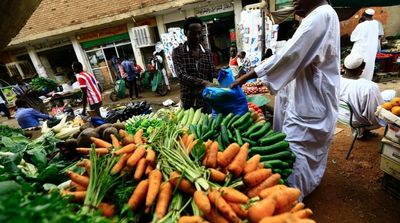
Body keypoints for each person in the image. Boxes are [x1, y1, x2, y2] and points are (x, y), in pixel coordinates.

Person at [231, 0, 340, 200]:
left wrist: (249, 75)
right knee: (304, 152)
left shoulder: (320, 16)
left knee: (297, 153)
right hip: (310, 99)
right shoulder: (323, 15)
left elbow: (290, 55)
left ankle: (291, 200)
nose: (294, 1)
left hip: (310, 102)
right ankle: (300, 189)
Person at [172, 16, 215, 112]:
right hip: (188, 100)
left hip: (205, 99)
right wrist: (203, 82)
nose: (196, 36)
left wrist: (222, 73)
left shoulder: (207, 52)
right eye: (193, 33)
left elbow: (211, 73)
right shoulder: (178, 52)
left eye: (199, 33)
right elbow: (181, 75)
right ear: (185, 33)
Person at [339, 54, 385, 138]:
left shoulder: (336, 80)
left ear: (343, 67)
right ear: (363, 67)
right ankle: (364, 130)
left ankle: (361, 132)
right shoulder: (369, 86)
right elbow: (373, 112)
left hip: (340, 116)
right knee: (391, 96)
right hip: (358, 121)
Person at [350, 8, 380, 81]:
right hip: (371, 50)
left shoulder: (361, 25)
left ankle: (358, 79)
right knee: (369, 66)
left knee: (359, 64)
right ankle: (367, 80)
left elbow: (352, 38)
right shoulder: (376, 23)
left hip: (361, 49)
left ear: (364, 15)